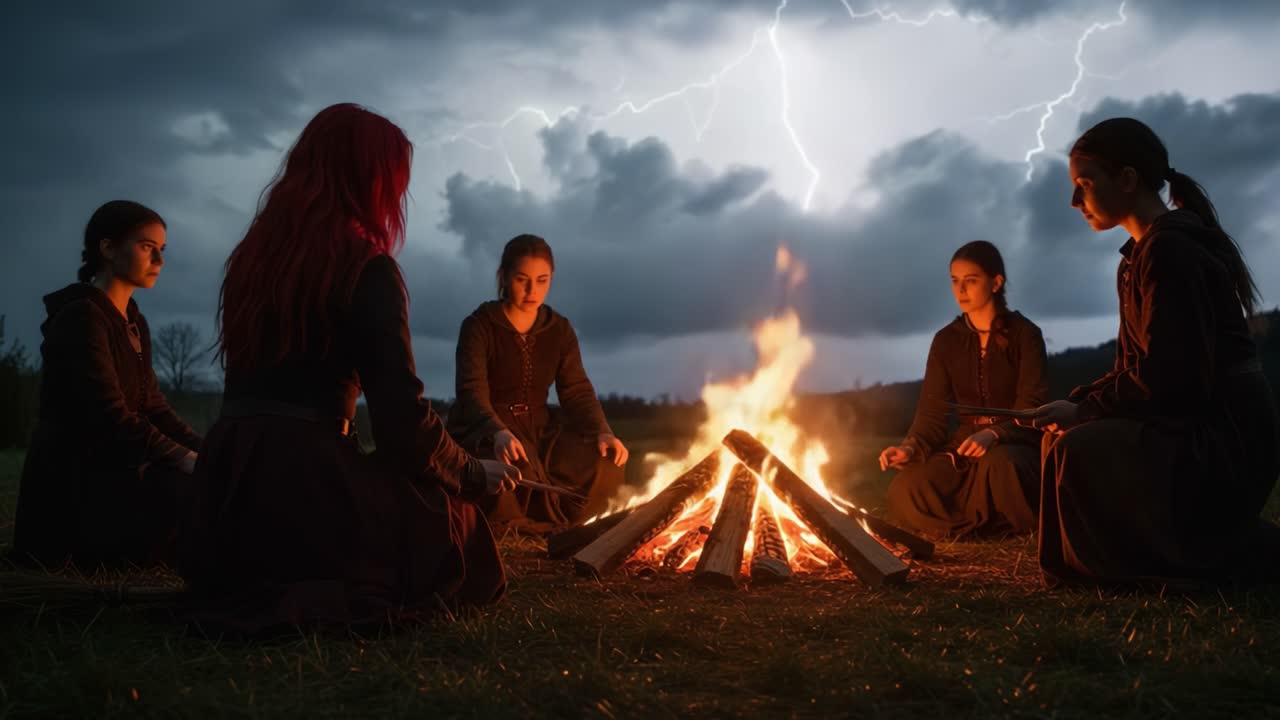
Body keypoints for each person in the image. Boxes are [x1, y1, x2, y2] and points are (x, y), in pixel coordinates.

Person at [179, 103, 520, 634]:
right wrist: (471, 473)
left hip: (229, 487)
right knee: (454, 522)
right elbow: (401, 422)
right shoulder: (365, 267)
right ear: (370, 180)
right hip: (305, 484)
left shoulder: (252, 260)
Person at [1029, 117, 1280, 588]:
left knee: (1075, 448)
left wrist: (1085, 410)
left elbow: (1171, 378)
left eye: (1085, 184)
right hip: (1189, 420)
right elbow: (1136, 368)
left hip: (1221, 437)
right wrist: (1079, 403)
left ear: (1127, 179)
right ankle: (1107, 560)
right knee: (1059, 436)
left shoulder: (1170, 251)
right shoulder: (1139, 257)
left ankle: (1121, 567)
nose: (1074, 201)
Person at [12, 200, 202, 569]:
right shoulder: (82, 317)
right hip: (76, 491)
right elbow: (109, 415)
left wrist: (209, 452)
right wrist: (184, 458)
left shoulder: (133, 322)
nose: (159, 261)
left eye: (162, 250)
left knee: (209, 483)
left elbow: (152, 406)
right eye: (147, 247)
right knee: (184, 488)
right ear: (108, 248)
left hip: (117, 476)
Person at [447, 234, 628, 532]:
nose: (532, 291)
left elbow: (576, 390)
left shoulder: (559, 329)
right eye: (522, 280)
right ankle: (522, 526)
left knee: (604, 462)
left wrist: (602, 431)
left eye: (542, 281)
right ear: (504, 276)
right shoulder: (479, 326)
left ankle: (581, 527)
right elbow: (471, 390)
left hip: (542, 431)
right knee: (501, 474)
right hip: (487, 430)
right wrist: (497, 432)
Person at [881, 241, 1048, 537]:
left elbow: (1032, 404)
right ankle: (975, 529)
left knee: (1001, 466)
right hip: (963, 448)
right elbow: (932, 412)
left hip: (1014, 443)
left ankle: (1012, 526)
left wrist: (995, 434)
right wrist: (909, 448)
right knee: (905, 489)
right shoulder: (946, 341)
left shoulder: (1026, 335)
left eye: (970, 281)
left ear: (996, 282)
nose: (960, 290)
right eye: (955, 281)